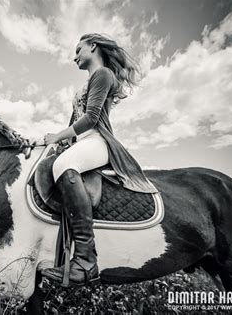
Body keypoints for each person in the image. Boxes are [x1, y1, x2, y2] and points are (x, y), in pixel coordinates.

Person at [40, 33, 158, 287]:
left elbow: (91, 118)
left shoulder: (103, 74)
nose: (74, 57)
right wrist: (52, 142)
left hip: (97, 140)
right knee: (53, 161)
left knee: (64, 166)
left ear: (93, 47)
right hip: (82, 141)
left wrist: (58, 136)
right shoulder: (84, 85)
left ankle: (85, 261)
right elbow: (74, 125)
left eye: (78, 49)